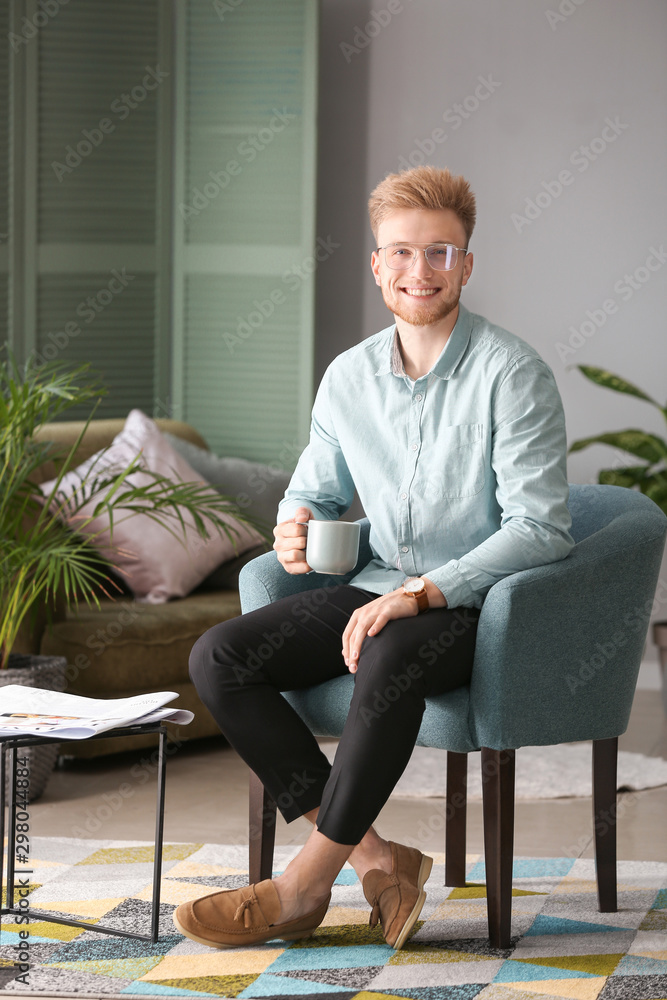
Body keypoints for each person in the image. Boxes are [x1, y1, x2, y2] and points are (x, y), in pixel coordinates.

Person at [173, 165, 574, 950]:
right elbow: (313, 493)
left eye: (439, 253)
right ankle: (379, 860)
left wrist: (424, 593)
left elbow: (541, 528)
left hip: (478, 605)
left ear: (466, 262)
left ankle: (300, 888)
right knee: (219, 655)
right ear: (375, 264)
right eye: (399, 253)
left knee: (387, 648)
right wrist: (294, 525)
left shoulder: (512, 374)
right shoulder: (349, 377)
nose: (418, 272)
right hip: (376, 585)